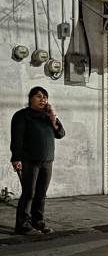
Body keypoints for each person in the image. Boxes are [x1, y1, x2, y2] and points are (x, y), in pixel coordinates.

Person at [9, 86, 65, 235]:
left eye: (45, 97)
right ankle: (22, 225)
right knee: (29, 193)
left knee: (41, 194)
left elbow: (60, 134)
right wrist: (16, 158)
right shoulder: (22, 116)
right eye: (39, 96)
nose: (43, 99)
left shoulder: (48, 117)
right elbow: (17, 139)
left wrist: (53, 117)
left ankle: (37, 222)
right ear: (30, 99)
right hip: (29, 161)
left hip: (47, 161)